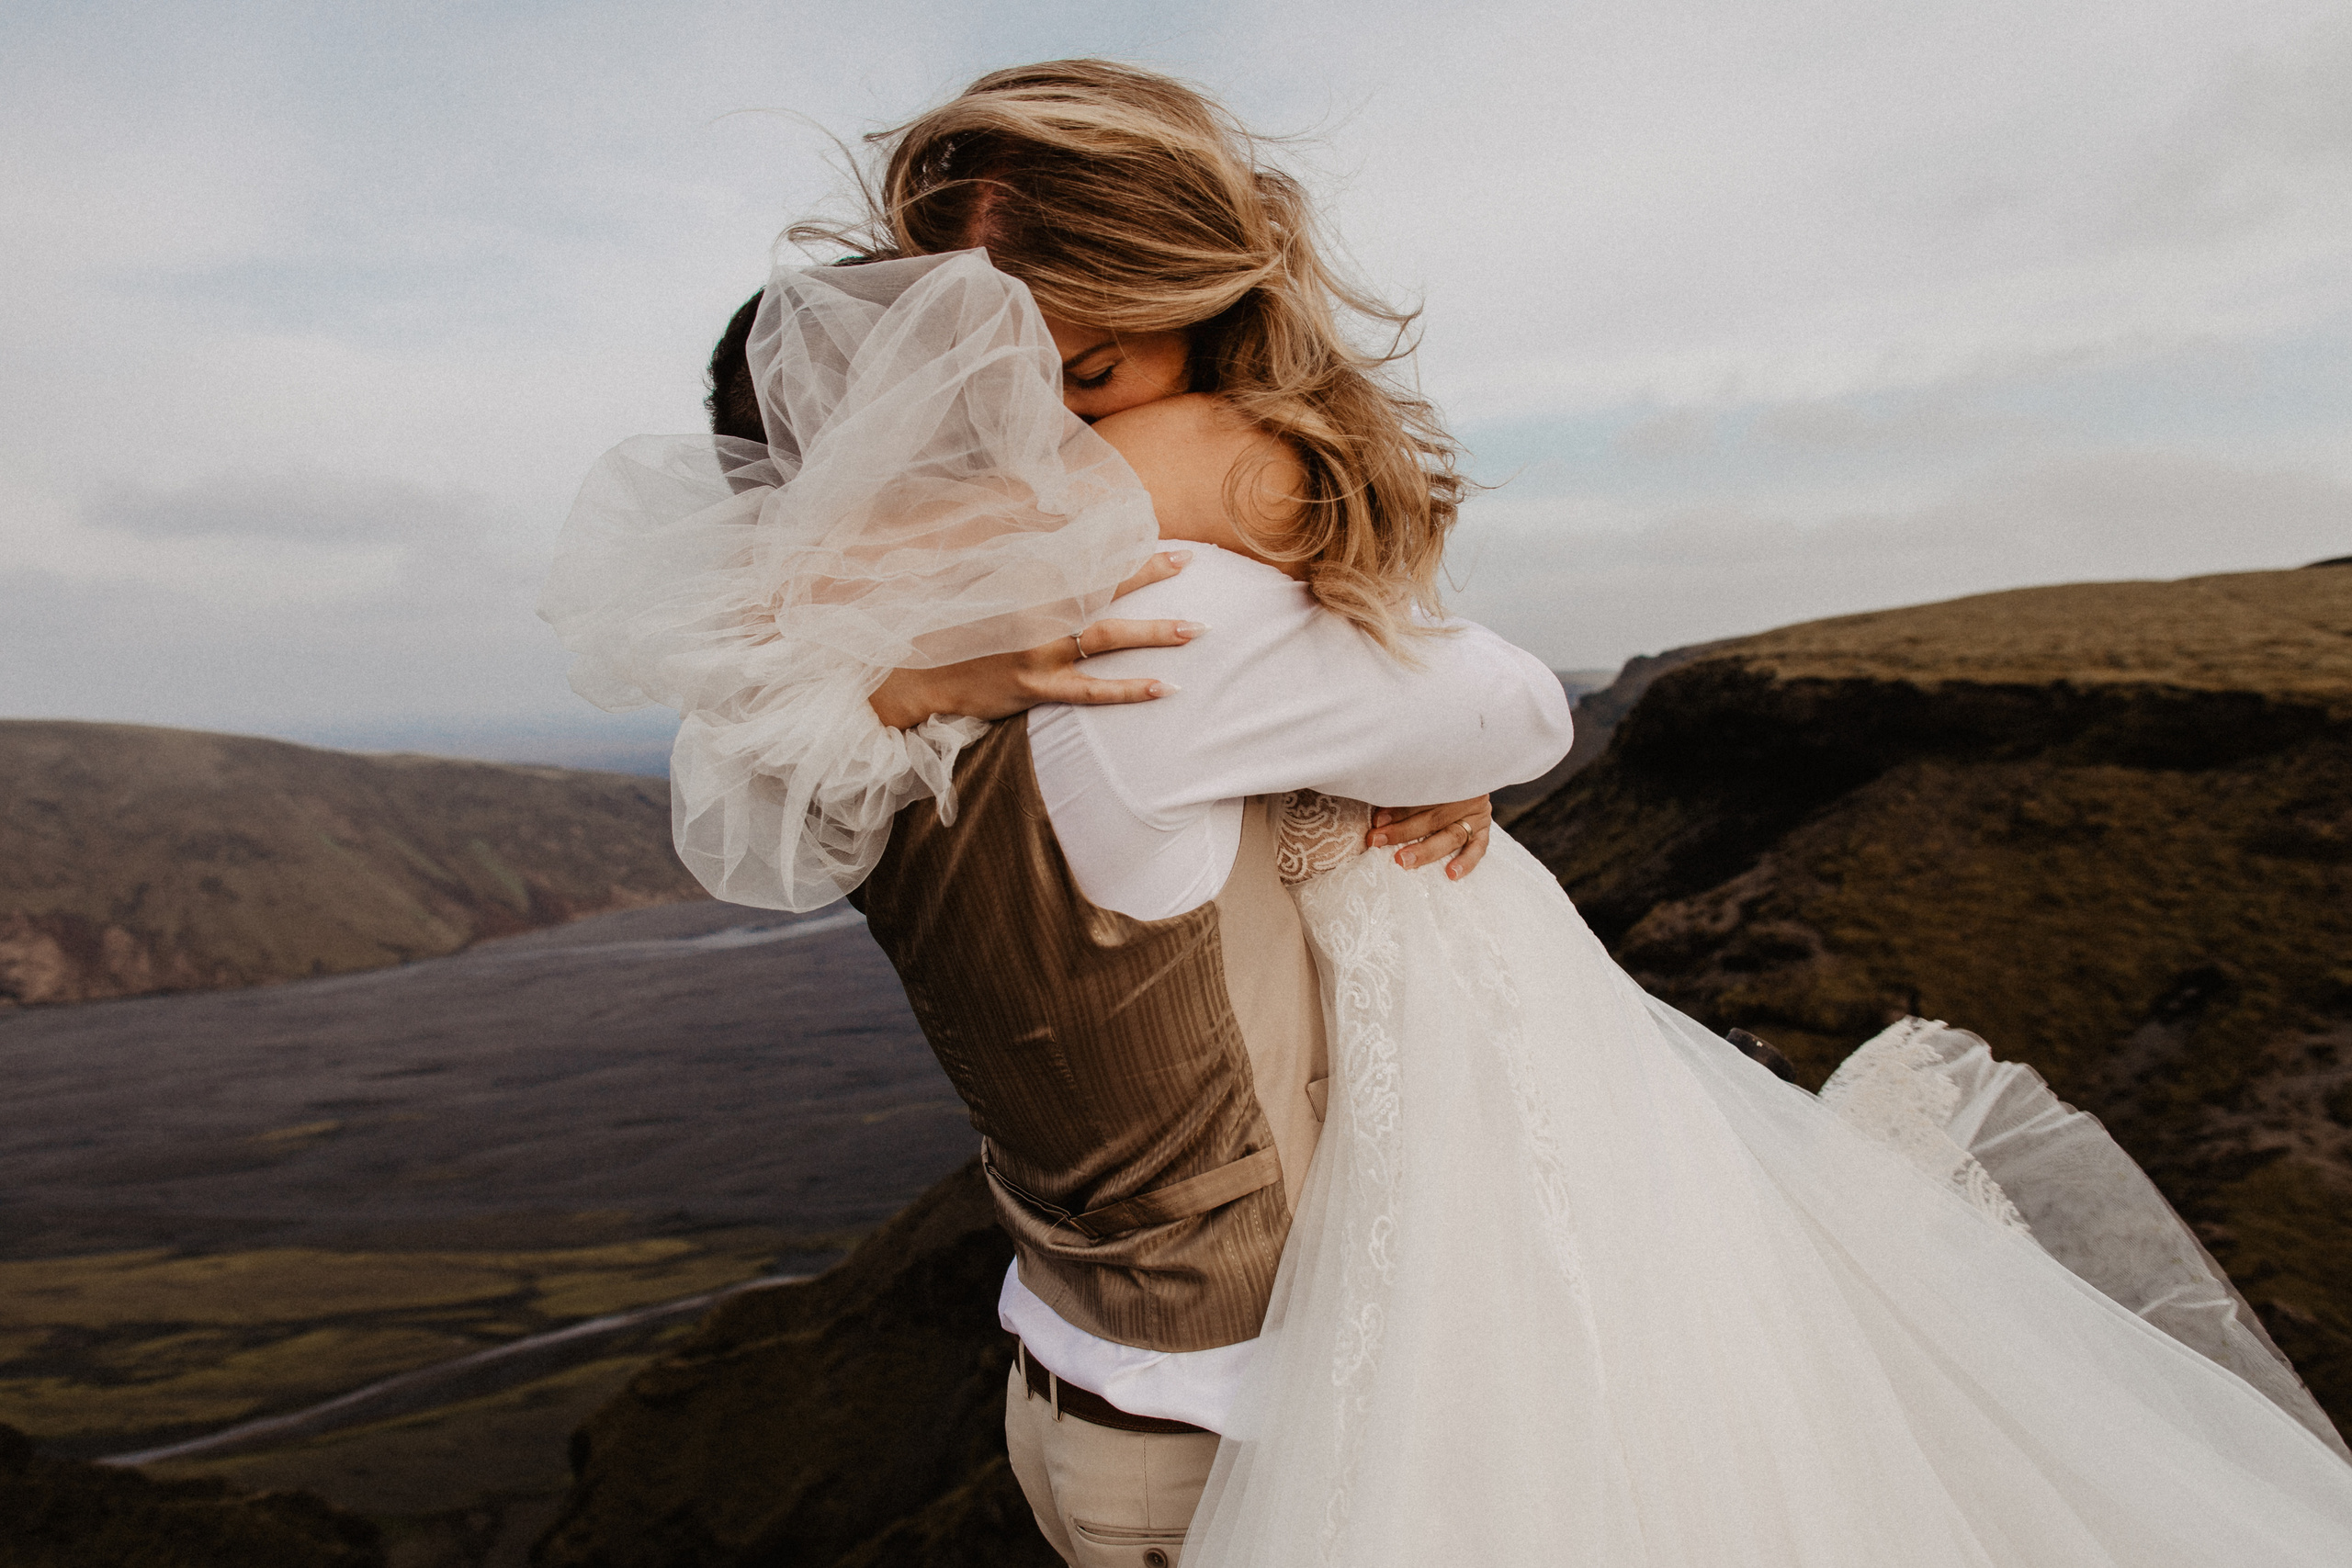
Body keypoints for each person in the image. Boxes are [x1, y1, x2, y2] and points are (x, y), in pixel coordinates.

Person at [548, 59, 2352, 1568]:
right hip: (1266, 1430)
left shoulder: (827, 684)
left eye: (1072, 378)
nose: (1043, 434)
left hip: (1070, 1387)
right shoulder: (1161, 630)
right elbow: (1510, 707)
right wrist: (1228, 491)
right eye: (996, 368)